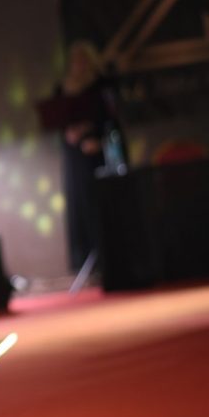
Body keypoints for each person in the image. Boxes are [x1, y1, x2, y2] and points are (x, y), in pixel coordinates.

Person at [54, 40, 127, 272]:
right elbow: (58, 120)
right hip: (76, 157)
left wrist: (100, 140)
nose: (79, 64)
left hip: (100, 156)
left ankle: (111, 257)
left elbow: (112, 122)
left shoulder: (102, 86)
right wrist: (70, 134)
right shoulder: (62, 88)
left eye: (83, 59)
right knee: (81, 203)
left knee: (103, 204)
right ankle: (87, 260)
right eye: (76, 61)